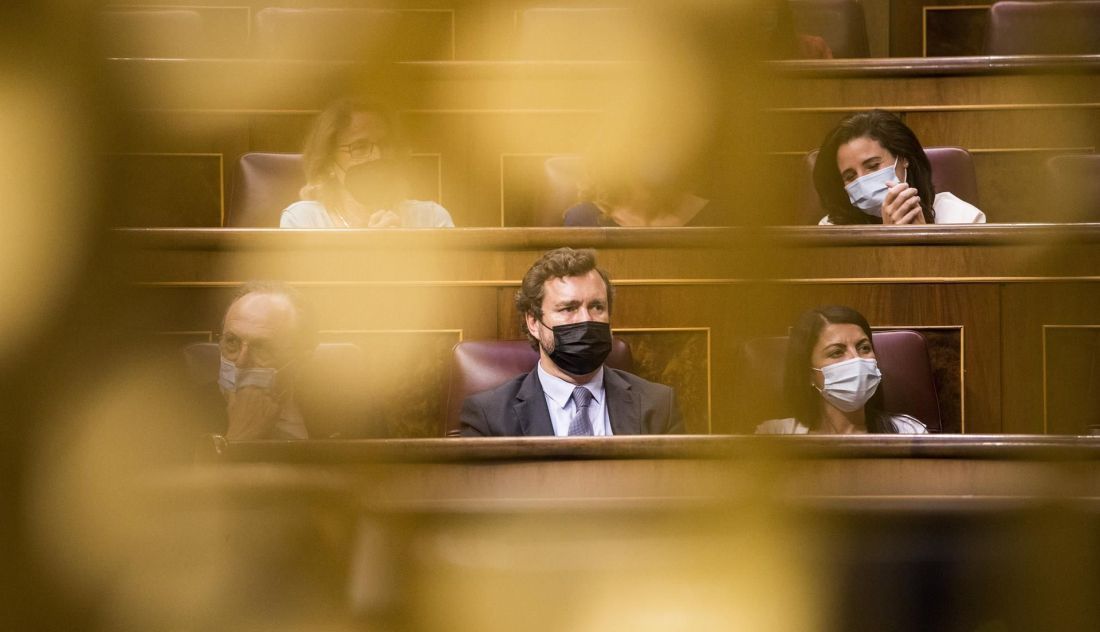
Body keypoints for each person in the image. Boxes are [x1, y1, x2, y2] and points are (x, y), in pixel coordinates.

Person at [460, 247, 684, 436]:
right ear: (533, 322)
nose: (586, 320)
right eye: (568, 308)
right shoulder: (488, 417)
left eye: (597, 307)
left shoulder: (660, 406)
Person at [279, 98, 454, 228]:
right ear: (328, 163)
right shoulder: (303, 222)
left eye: (385, 145)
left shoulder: (431, 219)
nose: (377, 157)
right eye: (359, 147)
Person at [755, 305, 928, 434]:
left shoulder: (908, 432)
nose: (856, 359)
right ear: (808, 374)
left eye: (864, 348)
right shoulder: (774, 436)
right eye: (837, 352)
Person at [813, 110, 986, 225]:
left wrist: (921, 238)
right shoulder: (830, 228)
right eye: (850, 176)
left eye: (873, 166)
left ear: (903, 158)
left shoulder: (962, 218)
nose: (862, 181)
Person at [213, 281, 318, 439]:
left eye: (262, 347)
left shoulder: (340, 411)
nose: (241, 361)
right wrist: (240, 436)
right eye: (231, 341)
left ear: (301, 359)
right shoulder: (179, 408)